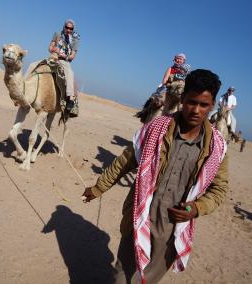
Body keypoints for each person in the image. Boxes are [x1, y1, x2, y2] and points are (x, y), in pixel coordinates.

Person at [82, 69, 228, 283]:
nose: (196, 110)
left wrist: (196, 208)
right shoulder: (156, 128)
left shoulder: (217, 147)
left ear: (212, 105)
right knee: (121, 276)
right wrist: (98, 187)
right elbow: (125, 161)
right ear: (183, 99)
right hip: (139, 215)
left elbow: (219, 189)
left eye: (203, 105)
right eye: (191, 102)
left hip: (172, 228)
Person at [48, 19, 80, 112]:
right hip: (53, 57)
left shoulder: (75, 40)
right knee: (34, 65)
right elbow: (50, 47)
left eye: (71, 28)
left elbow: (72, 57)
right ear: (64, 27)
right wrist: (54, 49)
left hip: (64, 61)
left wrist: (64, 55)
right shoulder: (57, 34)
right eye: (67, 27)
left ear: (73, 29)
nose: (68, 30)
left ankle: (70, 99)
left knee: (70, 74)